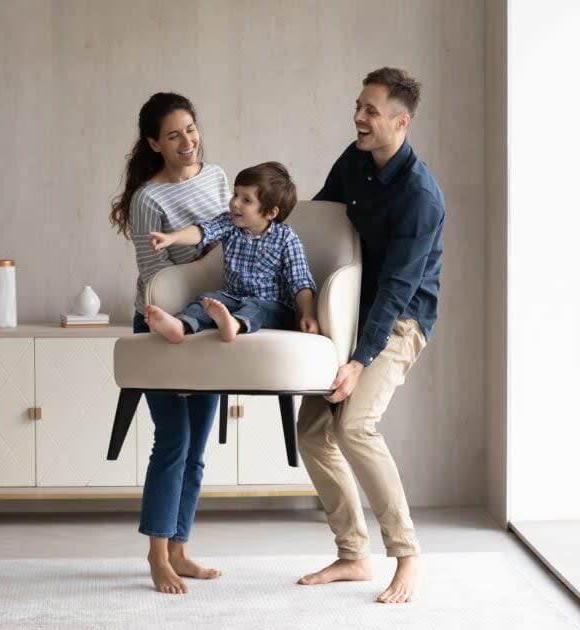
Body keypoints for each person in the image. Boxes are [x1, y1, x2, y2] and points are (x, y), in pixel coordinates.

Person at [295, 67, 445, 604]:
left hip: (399, 321)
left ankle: (407, 555)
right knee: (312, 430)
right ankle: (353, 554)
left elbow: (397, 292)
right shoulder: (354, 160)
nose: (359, 117)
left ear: (401, 121)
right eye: (358, 106)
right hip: (347, 313)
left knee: (355, 424)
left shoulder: (421, 196)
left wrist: (358, 361)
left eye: (372, 111)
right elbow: (315, 223)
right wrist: (303, 302)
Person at [110, 92, 229, 595]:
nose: (187, 141)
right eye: (174, 134)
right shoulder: (148, 200)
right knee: (173, 442)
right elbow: (156, 277)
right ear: (155, 143)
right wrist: (177, 344)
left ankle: (180, 550)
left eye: (191, 128)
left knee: (197, 448)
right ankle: (157, 555)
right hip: (163, 326)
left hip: (207, 323)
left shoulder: (219, 178)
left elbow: (232, 241)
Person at [144, 162, 319, 343]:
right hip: (233, 299)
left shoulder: (286, 238)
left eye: (246, 200)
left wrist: (308, 314)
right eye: (235, 194)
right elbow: (203, 231)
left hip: (274, 308)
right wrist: (172, 238)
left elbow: (301, 281)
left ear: (270, 212)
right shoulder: (230, 224)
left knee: (255, 307)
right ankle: (181, 326)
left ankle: (234, 325)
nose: (234, 203)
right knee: (207, 299)